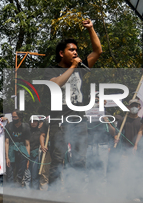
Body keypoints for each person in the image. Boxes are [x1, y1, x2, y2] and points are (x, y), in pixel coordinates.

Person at [43, 19, 102, 189]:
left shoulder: (80, 67)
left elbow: (98, 51)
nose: (76, 53)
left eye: (76, 50)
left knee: (79, 158)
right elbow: (55, 84)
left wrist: (91, 29)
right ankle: (54, 194)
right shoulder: (52, 69)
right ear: (62, 53)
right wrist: (73, 67)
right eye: (72, 50)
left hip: (78, 120)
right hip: (58, 120)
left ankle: (76, 193)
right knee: (58, 158)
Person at [107, 99, 143, 199]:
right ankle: (122, 194)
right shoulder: (123, 120)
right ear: (128, 107)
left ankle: (134, 194)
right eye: (132, 106)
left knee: (136, 173)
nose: (134, 107)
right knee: (123, 172)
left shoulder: (141, 121)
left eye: (136, 105)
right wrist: (116, 137)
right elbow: (117, 133)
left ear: (139, 107)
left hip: (137, 152)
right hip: (124, 152)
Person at [5, 110, 30, 186]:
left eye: (15, 117)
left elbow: (27, 144)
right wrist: (7, 157)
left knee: (21, 171)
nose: (13, 118)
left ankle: (18, 187)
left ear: (20, 117)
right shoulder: (8, 127)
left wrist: (27, 159)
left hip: (21, 148)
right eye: (12, 117)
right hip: (11, 149)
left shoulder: (25, 127)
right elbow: (7, 142)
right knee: (10, 171)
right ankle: (10, 188)